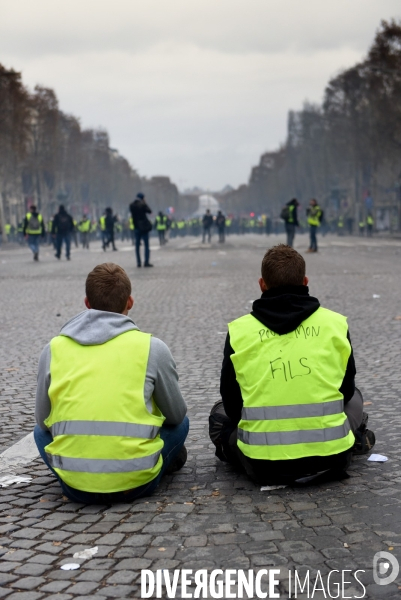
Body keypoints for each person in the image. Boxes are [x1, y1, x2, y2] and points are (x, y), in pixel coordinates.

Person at [209, 244, 375, 486]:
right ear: (305, 281)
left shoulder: (239, 331)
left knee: (219, 414)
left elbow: (233, 405)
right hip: (331, 458)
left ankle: (233, 452)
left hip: (262, 464)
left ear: (262, 284)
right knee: (355, 397)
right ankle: (353, 438)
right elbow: (345, 390)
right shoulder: (334, 324)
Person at [34, 262, 189, 503]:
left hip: (76, 487)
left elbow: (43, 423)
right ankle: (157, 460)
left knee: (38, 433)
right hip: (137, 483)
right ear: (130, 302)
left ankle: (79, 474)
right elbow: (176, 416)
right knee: (182, 424)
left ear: (87, 303)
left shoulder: (53, 349)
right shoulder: (152, 348)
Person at [129, 192, 153, 267]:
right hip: (144, 227)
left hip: (136, 227)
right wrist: (145, 203)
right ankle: (146, 261)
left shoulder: (131, 205)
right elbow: (149, 211)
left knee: (137, 246)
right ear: (142, 198)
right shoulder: (142, 205)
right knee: (146, 245)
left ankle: (138, 262)